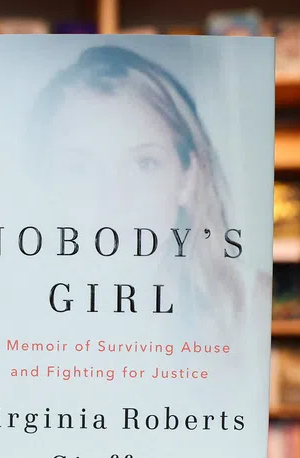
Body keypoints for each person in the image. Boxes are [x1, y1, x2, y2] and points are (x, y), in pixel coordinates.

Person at [28, 45, 271, 370]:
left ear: (187, 180)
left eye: (145, 163)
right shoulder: (8, 317)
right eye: (79, 168)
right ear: (46, 187)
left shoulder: (247, 309)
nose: (114, 198)